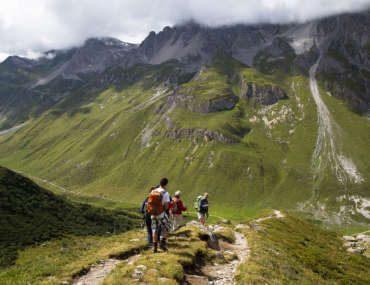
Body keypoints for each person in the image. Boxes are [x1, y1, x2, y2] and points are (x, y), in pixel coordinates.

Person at [148, 178, 171, 253]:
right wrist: (163, 210)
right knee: (168, 227)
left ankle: (155, 248)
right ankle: (162, 242)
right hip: (161, 214)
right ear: (166, 184)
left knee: (154, 229)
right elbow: (167, 206)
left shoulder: (153, 191)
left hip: (152, 214)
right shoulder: (166, 193)